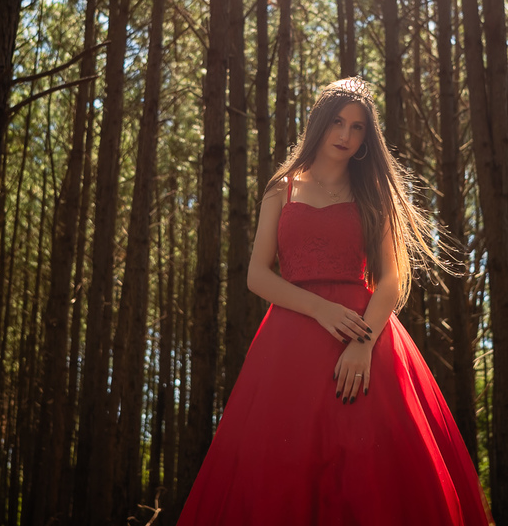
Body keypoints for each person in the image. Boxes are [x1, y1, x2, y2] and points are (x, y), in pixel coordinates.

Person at [177, 77, 491, 526]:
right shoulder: (281, 188)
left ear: (366, 138)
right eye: (338, 123)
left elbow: (391, 280)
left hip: (364, 336)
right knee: (280, 466)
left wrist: (363, 344)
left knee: (372, 467)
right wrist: (320, 309)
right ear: (319, 124)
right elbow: (257, 275)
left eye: (357, 127)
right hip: (290, 342)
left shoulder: (373, 193)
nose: (345, 135)